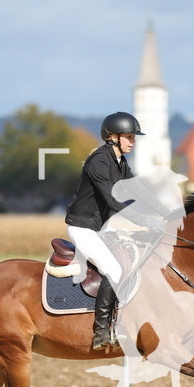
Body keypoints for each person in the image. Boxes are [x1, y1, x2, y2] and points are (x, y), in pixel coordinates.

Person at [64, 111, 144, 350]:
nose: (133, 141)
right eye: (129, 136)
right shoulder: (99, 161)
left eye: (134, 137)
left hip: (100, 229)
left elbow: (138, 189)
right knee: (113, 269)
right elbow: (113, 200)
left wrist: (166, 211)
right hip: (82, 228)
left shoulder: (120, 162)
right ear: (113, 137)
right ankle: (101, 332)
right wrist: (143, 220)